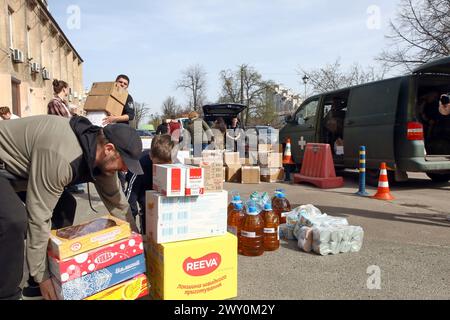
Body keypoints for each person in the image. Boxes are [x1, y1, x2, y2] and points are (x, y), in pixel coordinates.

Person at [0, 115, 143, 300]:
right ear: (109, 149)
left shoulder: (101, 158)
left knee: (66, 206)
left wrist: (138, 245)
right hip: (4, 164)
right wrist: (42, 276)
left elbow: (119, 205)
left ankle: (44, 278)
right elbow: (38, 216)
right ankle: (9, 293)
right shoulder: (62, 157)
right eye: (124, 163)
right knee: (13, 220)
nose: (125, 170)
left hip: (20, 171)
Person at [125, 135, 175, 234]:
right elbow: (131, 196)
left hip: (167, 208)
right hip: (147, 206)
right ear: (151, 156)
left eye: (166, 165)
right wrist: (130, 226)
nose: (162, 169)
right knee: (148, 237)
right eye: (158, 164)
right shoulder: (139, 165)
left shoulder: (175, 163)